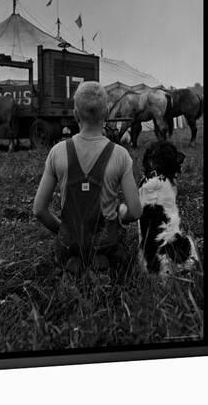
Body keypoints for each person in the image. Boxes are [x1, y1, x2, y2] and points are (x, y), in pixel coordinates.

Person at [33, 81, 142, 274]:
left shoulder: (57, 152)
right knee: (114, 250)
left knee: (67, 250)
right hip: (107, 243)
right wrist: (121, 213)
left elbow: (39, 210)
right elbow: (134, 211)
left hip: (69, 243)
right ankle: (101, 261)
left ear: (75, 114)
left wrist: (63, 230)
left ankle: (73, 260)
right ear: (107, 113)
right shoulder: (120, 155)